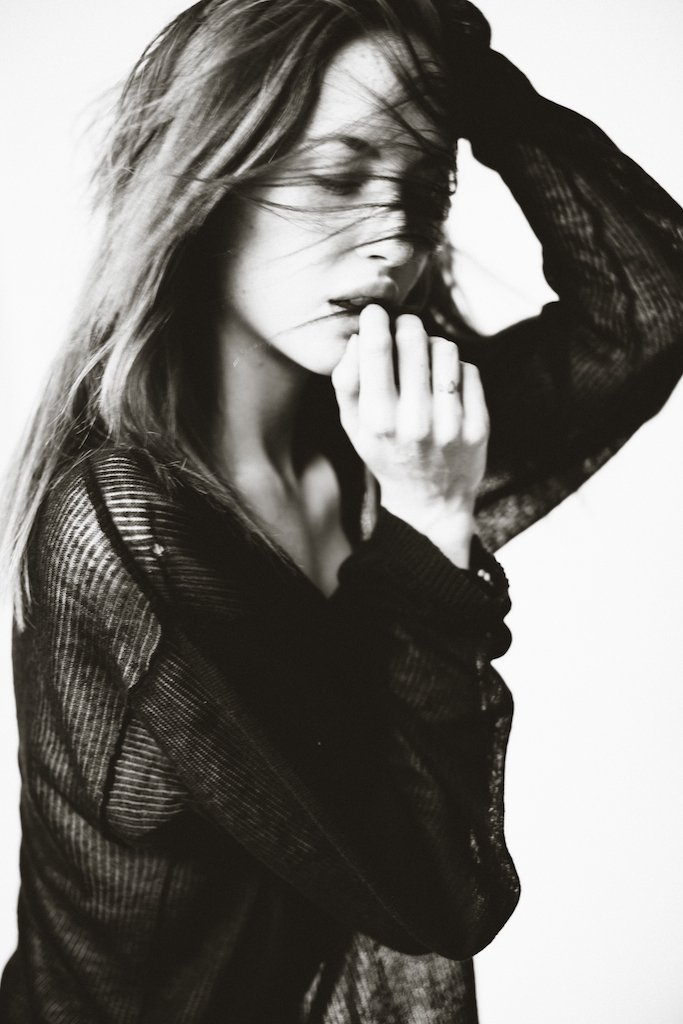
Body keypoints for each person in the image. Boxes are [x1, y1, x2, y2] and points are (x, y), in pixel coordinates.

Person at [0, 1, 681, 1021]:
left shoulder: (365, 437)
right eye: (335, 175)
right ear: (204, 183)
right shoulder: (126, 528)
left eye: (425, 189)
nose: (393, 237)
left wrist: (464, 80)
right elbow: (437, 891)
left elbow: (648, 311)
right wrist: (427, 520)